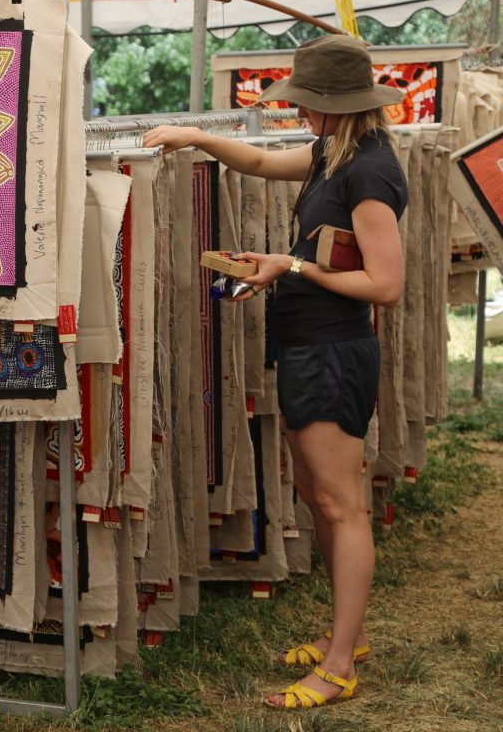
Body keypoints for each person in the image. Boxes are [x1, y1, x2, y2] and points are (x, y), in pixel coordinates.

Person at [143, 35, 407, 710]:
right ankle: (345, 637)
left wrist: (288, 266)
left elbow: (384, 284)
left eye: (305, 105)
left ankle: (341, 664)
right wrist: (197, 137)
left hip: (333, 352)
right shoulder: (333, 155)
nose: (297, 116)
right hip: (308, 345)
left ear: (331, 105)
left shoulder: (368, 173)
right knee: (323, 499)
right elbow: (259, 159)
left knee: (340, 505)